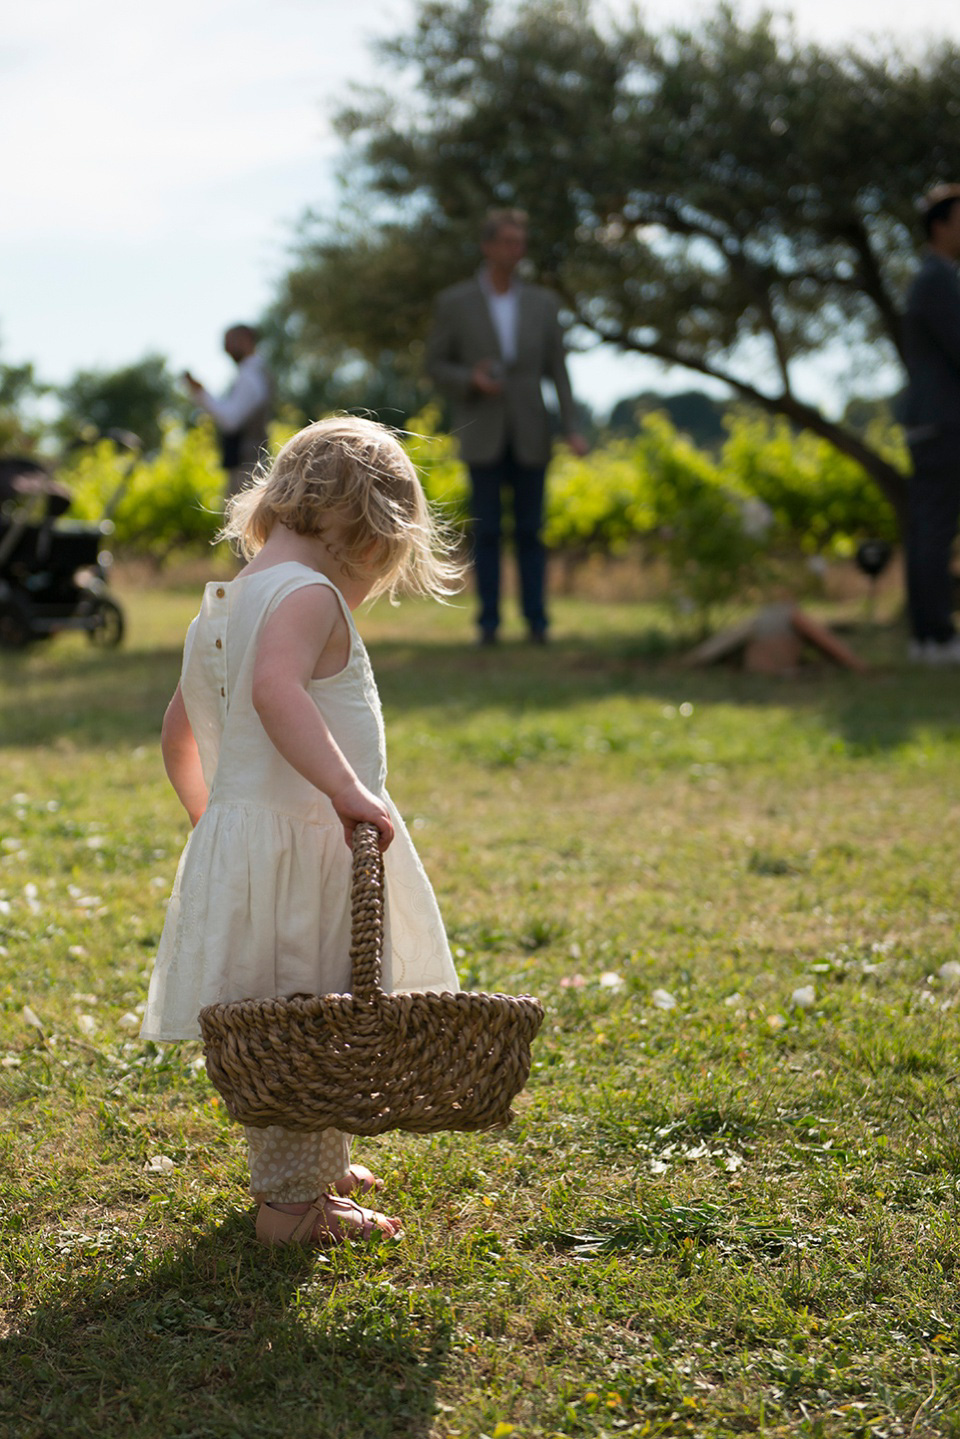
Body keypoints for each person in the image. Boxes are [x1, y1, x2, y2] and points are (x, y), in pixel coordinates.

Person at [140, 416, 462, 1246]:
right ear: (365, 531)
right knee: (302, 1010)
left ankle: (313, 1165)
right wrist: (351, 792)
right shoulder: (309, 594)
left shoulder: (227, 600)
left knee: (304, 1011)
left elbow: (180, 729)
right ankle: (289, 1208)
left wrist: (215, 823)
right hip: (307, 839)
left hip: (263, 841)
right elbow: (276, 692)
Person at [426, 209, 587, 646]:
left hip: (532, 431)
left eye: (521, 242)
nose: (517, 250)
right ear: (488, 246)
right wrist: (470, 380)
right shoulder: (454, 302)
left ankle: (537, 622)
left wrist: (571, 427)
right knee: (488, 530)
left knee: (532, 530)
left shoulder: (543, 303)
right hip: (482, 431)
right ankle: (489, 623)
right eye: (509, 242)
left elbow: (559, 371)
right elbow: (435, 365)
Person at [902, 184, 960, 663]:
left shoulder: (932, 279)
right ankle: (937, 637)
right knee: (935, 531)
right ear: (940, 226)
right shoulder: (937, 281)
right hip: (945, 424)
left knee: (928, 530)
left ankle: (926, 637)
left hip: (930, 422)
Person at [184, 324, 273, 502]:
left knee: (241, 526)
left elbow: (231, 421)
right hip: (249, 463)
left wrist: (201, 394)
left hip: (248, 467)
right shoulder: (253, 373)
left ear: (246, 340)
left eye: (230, 342)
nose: (226, 349)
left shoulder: (250, 376)